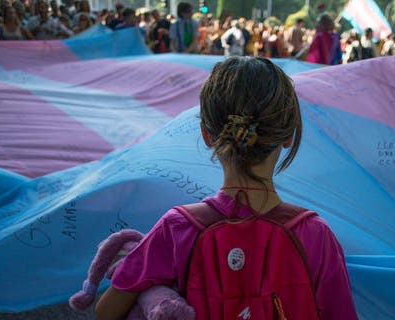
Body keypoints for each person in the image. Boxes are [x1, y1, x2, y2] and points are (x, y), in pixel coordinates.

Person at [95, 56, 358, 320]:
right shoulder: (315, 235)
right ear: (288, 135)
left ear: (207, 134)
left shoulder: (178, 228)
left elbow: (106, 311)